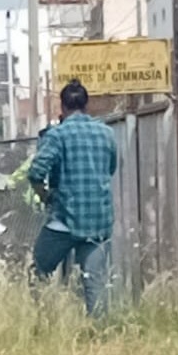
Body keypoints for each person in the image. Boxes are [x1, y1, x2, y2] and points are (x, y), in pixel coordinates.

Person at [27, 80, 116, 317]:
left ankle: (44, 323)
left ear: (63, 107)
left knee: (39, 272)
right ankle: (100, 340)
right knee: (94, 283)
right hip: (98, 220)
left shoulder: (58, 135)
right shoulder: (107, 134)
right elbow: (111, 168)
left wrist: (45, 195)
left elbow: (36, 172)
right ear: (86, 105)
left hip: (64, 220)